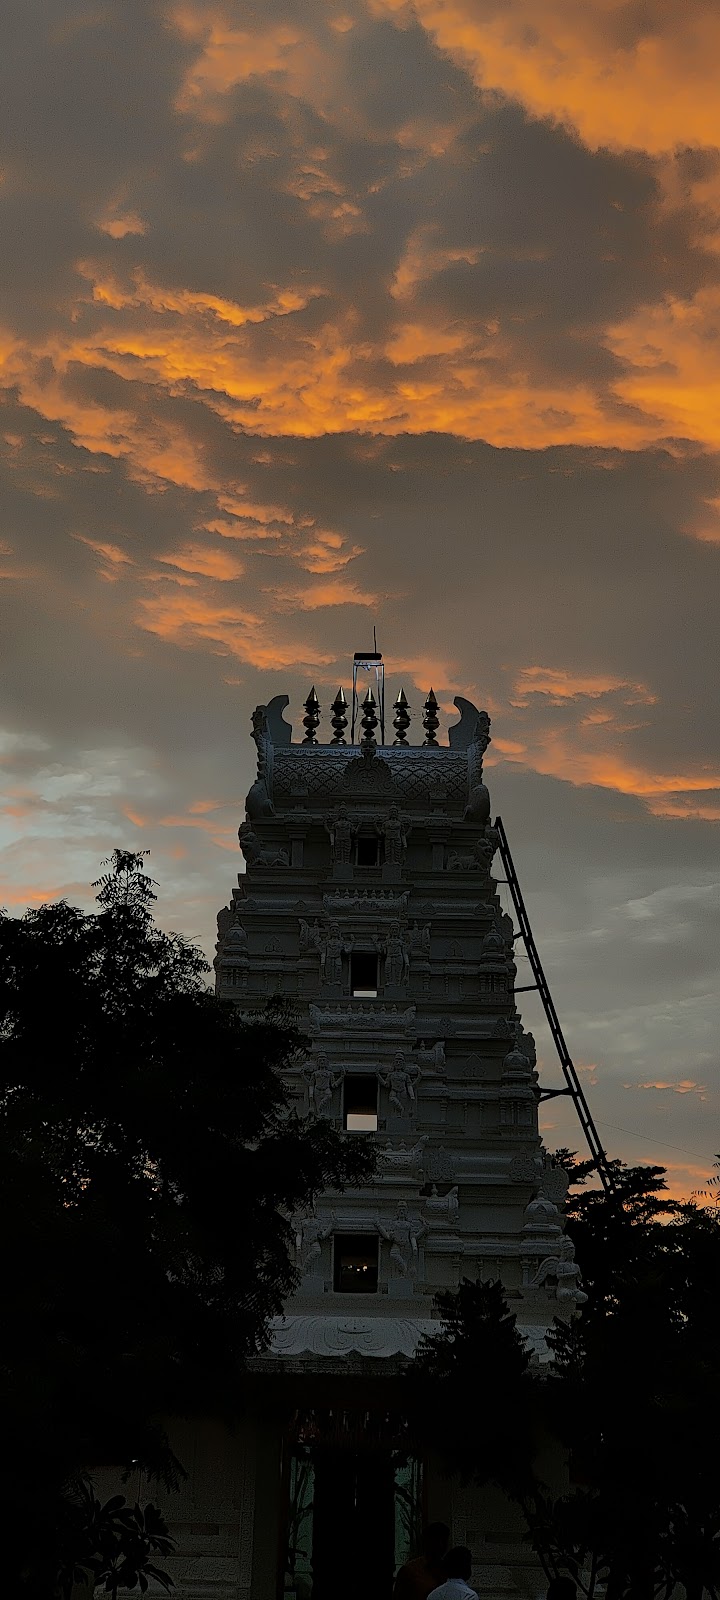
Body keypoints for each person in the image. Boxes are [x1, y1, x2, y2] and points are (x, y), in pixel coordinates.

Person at [393, 1523, 450, 1600]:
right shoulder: (409, 1571)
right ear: (426, 1542)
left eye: (444, 1541)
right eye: (436, 1541)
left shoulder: (449, 1570)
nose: (441, 1545)